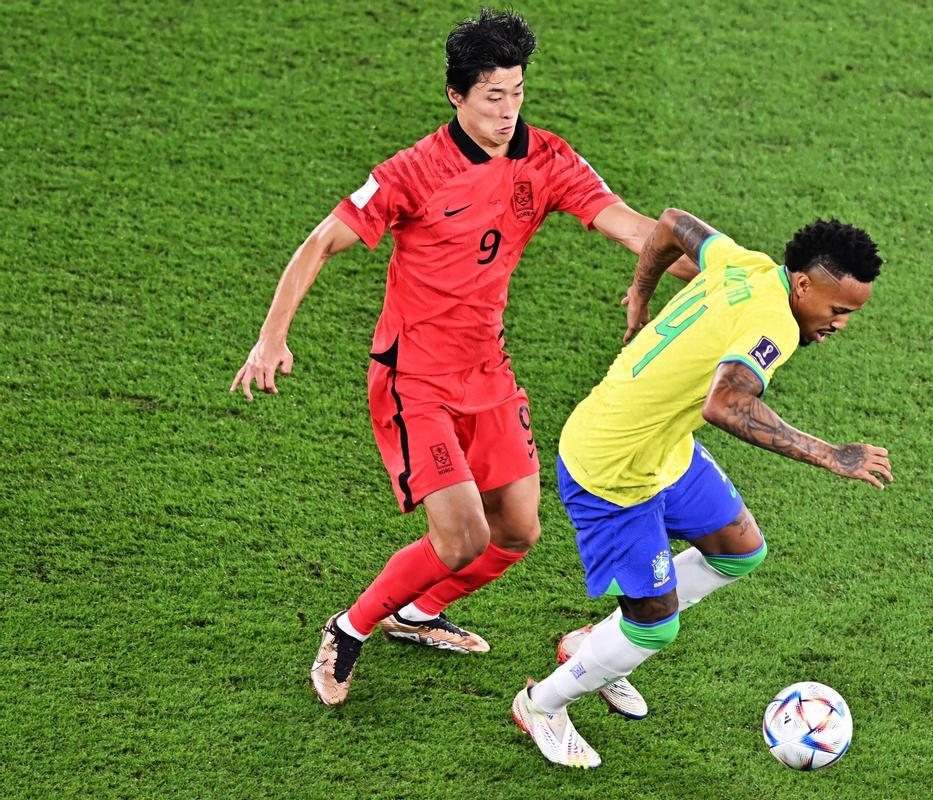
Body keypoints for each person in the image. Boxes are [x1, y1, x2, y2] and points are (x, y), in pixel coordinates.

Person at [229, 9, 694, 707]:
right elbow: (322, 241)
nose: (509, 112)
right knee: (461, 535)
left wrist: (720, 269)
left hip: (488, 373)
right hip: (413, 378)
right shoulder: (414, 171)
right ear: (456, 96)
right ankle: (349, 627)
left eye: (518, 93)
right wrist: (272, 337)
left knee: (516, 531)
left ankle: (416, 615)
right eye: (492, 97)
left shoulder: (548, 159)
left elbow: (632, 228)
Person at [510, 209, 893, 768]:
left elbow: (670, 225)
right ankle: (540, 705)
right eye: (837, 310)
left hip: (666, 449)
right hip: (613, 468)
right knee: (655, 628)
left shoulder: (749, 265)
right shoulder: (777, 325)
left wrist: (640, 296)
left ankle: (593, 646)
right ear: (805, 286)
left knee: (740, 553)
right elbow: (726, 403)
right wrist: (831, 455)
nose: (841, 324)